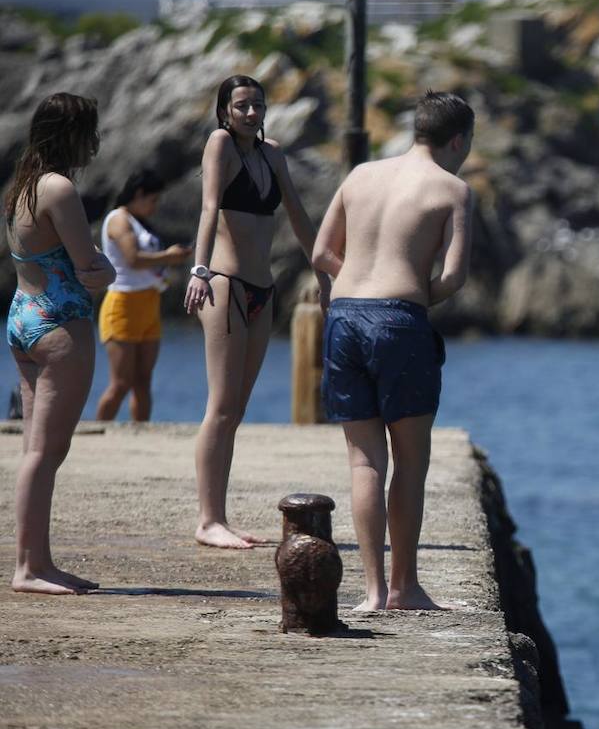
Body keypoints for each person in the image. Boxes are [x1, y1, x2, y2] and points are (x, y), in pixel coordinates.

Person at [311, 90, 474, 611]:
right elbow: (453, 276)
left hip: (344, 317)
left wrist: (352, 289)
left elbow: (321, 253)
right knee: (409, 460)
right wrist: (411, 296)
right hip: (399, 324)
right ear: (458, 140)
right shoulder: (453, 189)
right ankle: (405, 589)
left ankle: (372, 592)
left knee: (364, 463)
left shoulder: (361, 175)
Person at [184, 75, 325, 550]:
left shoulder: (273, 153)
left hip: (262, 291)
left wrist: (323, 271)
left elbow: (300, 216)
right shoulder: (219, 143)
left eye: (257, 105)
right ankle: (208, 520)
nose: (250, 112)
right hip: (224, 285)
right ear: (224, 110)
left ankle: (217, 516)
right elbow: (208, 208)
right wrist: (199, 270)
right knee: (220, 407)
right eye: (241, 105)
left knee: (236, 410)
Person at [5, 92, 116, 594]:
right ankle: (28, 569)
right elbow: (87, 265)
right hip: (59, 321)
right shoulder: (60, 188)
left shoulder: (21, 186)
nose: (94, 143)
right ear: (72, 134)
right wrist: (107, 269)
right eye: (89, 132)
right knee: (46, 452)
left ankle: (39, 562)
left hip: (22, 316)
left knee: (37, 448)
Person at [95, 168, 191, 421]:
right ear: (138, 194)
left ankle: (141, 433)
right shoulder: (119, 219)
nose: (155, 206)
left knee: (143, 381)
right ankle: (95, 433)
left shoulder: (139, 222)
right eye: (153, 200)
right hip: (123, 304)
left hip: (149, 302)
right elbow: (133, 259)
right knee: (121, 382)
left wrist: (170, 260)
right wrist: (169, 256)